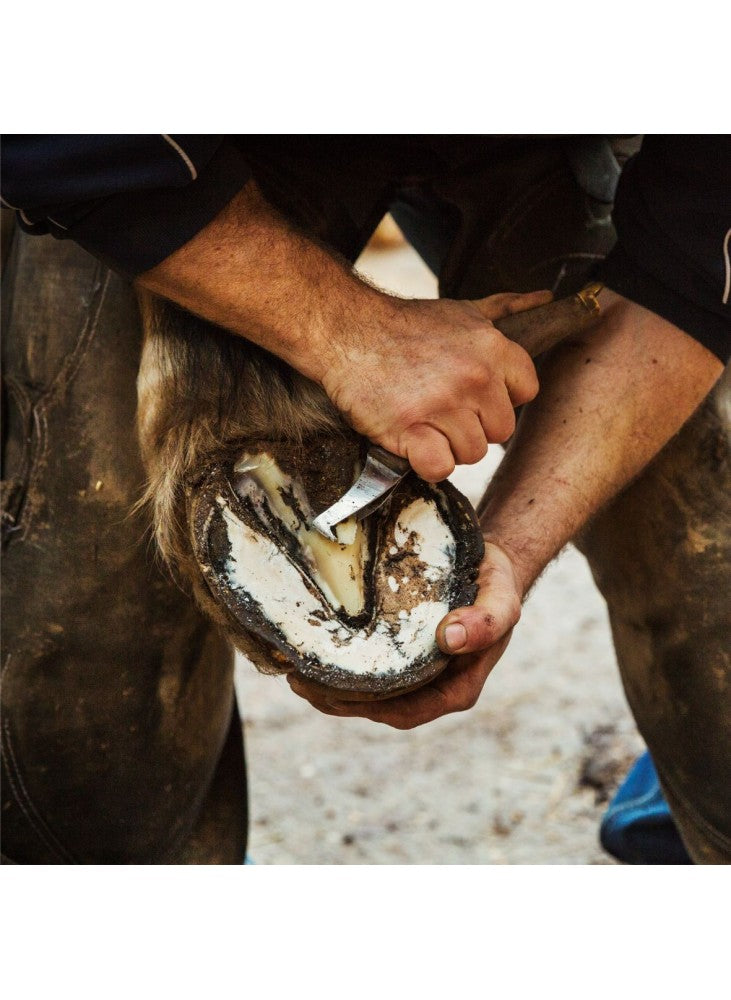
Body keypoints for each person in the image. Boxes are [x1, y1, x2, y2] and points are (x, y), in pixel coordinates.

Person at [1, 135, 728, 864]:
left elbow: (689, 267)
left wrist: (509, 548)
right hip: (174, 142)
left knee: (701, 552)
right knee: (93, 621)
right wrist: (349, 335)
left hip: (549, 133)